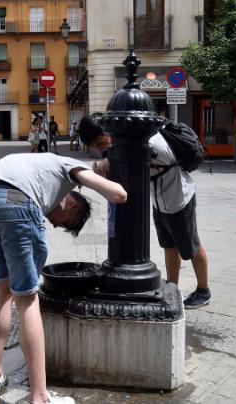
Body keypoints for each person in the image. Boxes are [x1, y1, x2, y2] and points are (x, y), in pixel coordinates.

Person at [0, 153, 127, 404]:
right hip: (17, 201)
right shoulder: (68, 166)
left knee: (4, 289)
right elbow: (119, 195)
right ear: (74, 205)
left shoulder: (38, 165)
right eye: (67, 224)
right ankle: (40, 397)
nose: (54, 226)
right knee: (28, 300)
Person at [79, 116, 212, 309]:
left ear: (109, 132)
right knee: (169, 244)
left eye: (101, 143)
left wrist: (108, 161)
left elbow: (137, 155)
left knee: (190, 245)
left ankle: (203, 290)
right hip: (159, 200)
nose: (101, 150)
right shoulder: (125, 142)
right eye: (96, 147)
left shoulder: (147, 140)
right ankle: (172, 287)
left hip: (179, 197)